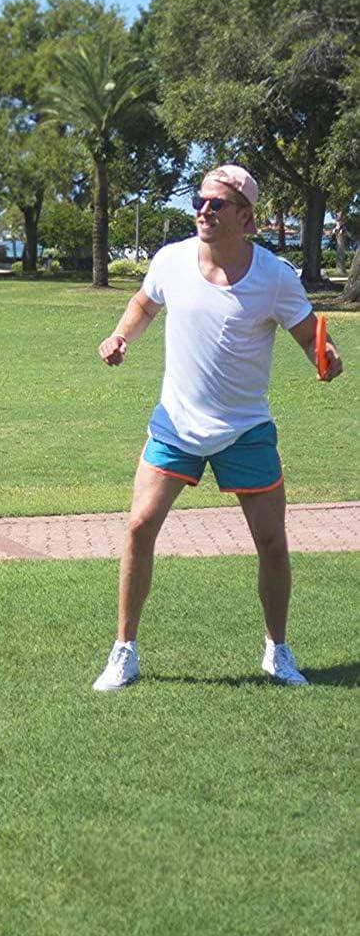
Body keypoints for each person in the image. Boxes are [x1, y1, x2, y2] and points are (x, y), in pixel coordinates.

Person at [92, 164, 340, 692]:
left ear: (246, 218)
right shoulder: (171, 260)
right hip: (176, 424)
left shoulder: (275, 276)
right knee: (139, 526)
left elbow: (307, 335)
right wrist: (121, 336)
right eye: (199, 202)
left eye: (216, 204)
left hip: (245, 428)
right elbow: (144, 303)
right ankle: (123, 651)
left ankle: (277, 650)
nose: (203, 211)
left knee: (272, 541)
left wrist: (325, 358)